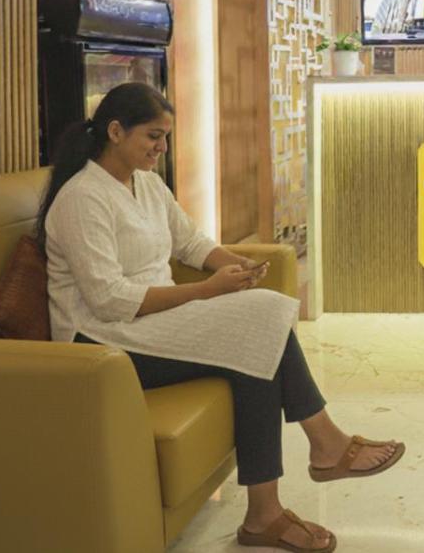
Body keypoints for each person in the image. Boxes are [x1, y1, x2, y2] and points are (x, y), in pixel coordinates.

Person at [37, 82, 402, 553]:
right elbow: (107, 299)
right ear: (115, 131)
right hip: (100, 338)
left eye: (166, 138)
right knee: (261, 324)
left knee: (256, 342)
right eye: (153, 136)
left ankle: (266, 513)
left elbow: (189, 242)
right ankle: (324, 447)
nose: (162, 148)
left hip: (148, 321)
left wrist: (236, 263)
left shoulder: (147, 184)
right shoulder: (82, 198)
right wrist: (207, 290)